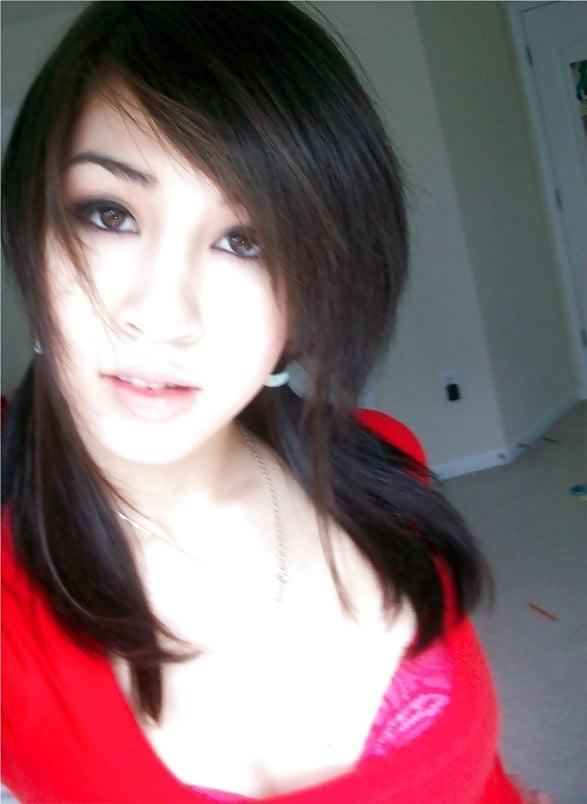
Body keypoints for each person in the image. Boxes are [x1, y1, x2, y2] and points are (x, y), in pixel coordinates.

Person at [0, 2, 553, 802]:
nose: (163, 315)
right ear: (34, 230)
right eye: (109, 215)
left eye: (245, 241)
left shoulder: (380, 461)